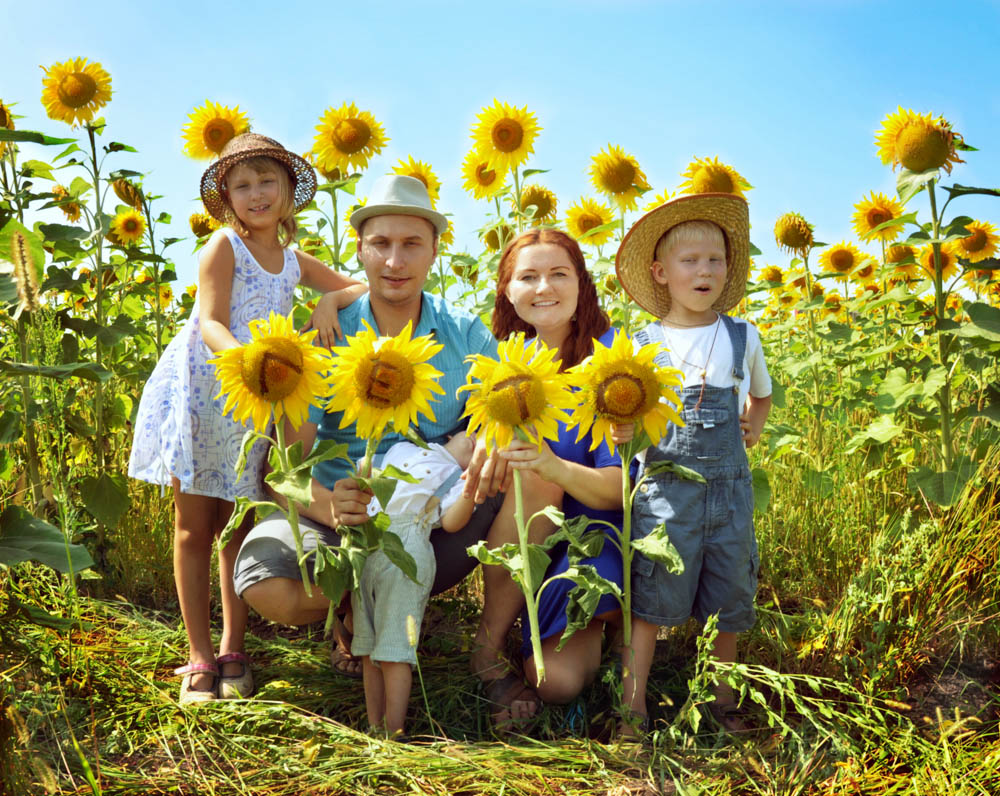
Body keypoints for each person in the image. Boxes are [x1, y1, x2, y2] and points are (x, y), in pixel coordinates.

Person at [232, 175, 539, 725]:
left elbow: (512, 411)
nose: (395, 261)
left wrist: (488, 442)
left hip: (434, 526)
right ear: (359, 250)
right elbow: (284, 470)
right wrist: (329, 506)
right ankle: (350, 611)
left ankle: (488, 651)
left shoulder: (464, 332)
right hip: (339, 519)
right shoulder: (325, 338)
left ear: (435, 250)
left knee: (531, 476)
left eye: (411, 244)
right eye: (381, 244)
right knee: (266, 578)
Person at [129, 133, 367, 704]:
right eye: (243, 185)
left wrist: (328, 302)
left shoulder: (291, 260)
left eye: (268, 182)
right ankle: (198, 654)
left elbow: (356, 284)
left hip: (257, 406)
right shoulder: (223, 248)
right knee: (193, 528)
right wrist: (249, 359)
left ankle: (235, 646)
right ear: (227, 198)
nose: (256, 193)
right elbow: (210, 322)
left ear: (288, 193)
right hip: (204, 394)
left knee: (240, 525)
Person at [613, 193, 772, 733]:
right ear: (660, 273)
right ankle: (632, 707)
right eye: (690, 261)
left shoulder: (742, 336)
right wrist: (625, 429)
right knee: (651, 600)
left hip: (730, 497)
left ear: (728, 270)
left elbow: (763, 395)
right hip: (664, 497)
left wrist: (755, 422)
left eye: (715, 260)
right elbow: (628, 416)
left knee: (726, 598)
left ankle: (719, 702)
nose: (704, 271)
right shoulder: (644, 345)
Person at [485, 228, 625, 710]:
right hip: (529, 535)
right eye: (528, 277)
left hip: (601, 538)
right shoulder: (499, 360)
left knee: (557, 683)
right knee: (556, 683)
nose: (543, 288)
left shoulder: (613, 362)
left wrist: (553, 466)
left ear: (582, 283)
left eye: (559, 274)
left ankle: (607, 625)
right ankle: (489, 644)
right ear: (507, 290)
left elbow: (621, 488)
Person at [353, 432, 477, 737]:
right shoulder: (402, 446)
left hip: (408, 547)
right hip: (368, 542)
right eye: (475, 431)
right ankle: (373, 728)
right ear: (452, 433)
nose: (478, 441)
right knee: (368, 646)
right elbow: (364, 469)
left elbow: (451, 522)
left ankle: (394, 732)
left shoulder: (457, 478)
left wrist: (473, 485)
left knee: (395, 648)